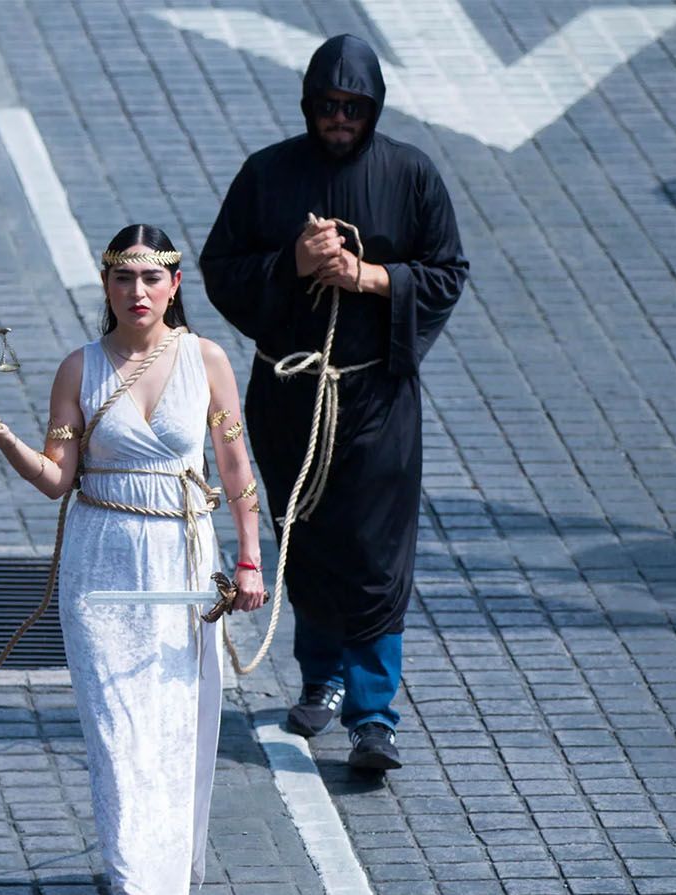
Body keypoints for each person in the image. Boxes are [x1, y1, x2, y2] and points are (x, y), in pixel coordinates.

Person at [0, 225, 267, 893]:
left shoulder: (206, 360)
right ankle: (134, 880)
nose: (138, 291)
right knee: (119, 737)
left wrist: (249, 560)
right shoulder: (80, 367)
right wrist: (3, 435)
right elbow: (56, 477)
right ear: (106, 286)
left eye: (152, 278)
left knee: (173, 726)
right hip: (103, 573)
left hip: (183, 567)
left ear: (174, 286)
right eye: (124, 278)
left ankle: (164, 876)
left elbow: (236, 466)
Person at [199, 34, 468, 772]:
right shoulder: (268, 174)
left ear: (374, 108)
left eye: (353, 107)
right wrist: (293, 262)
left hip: (377, 397)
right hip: (290, 398)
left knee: (376, 557)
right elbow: (220, 268)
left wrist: (368, 278)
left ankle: (375, 714)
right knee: (306, 540)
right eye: (328, 106)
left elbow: (446, 272)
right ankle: (320, 677)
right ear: (310, 105)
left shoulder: (411, 176)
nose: (340, 118)